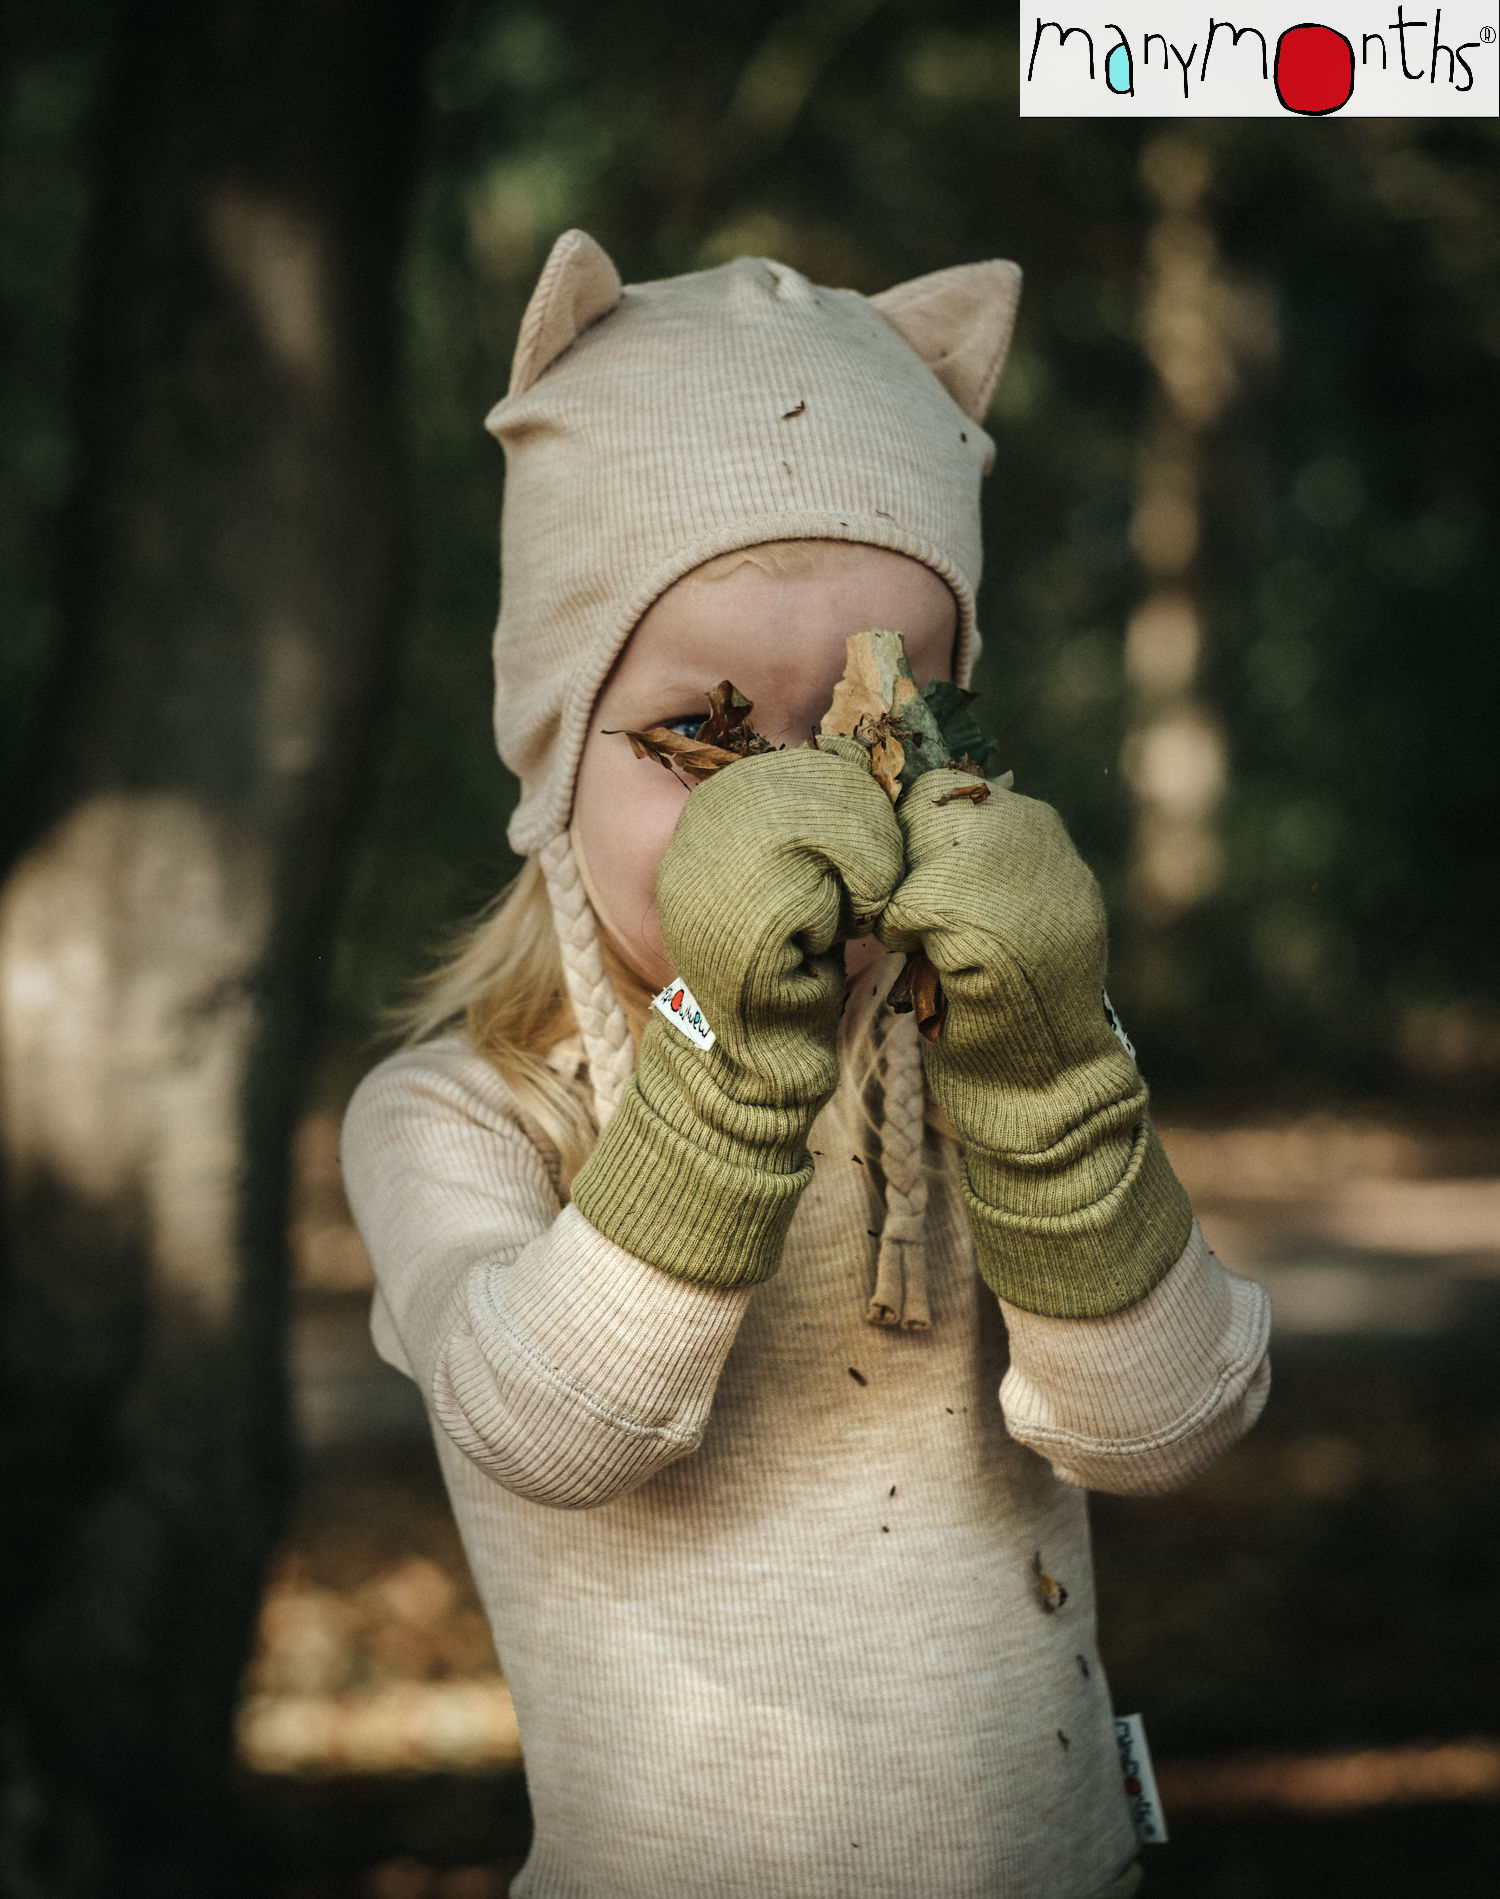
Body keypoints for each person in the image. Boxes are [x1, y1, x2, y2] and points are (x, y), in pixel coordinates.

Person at [341, 229, 1271, 1899]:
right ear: (556, 748)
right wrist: (728, 1047)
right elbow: (546, 1421)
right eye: (701, 736)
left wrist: (1056, 1093)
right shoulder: (458, 1113)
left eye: (870, 736)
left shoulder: (1001, 1043)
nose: (799, 817)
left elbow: (1164, 1428)